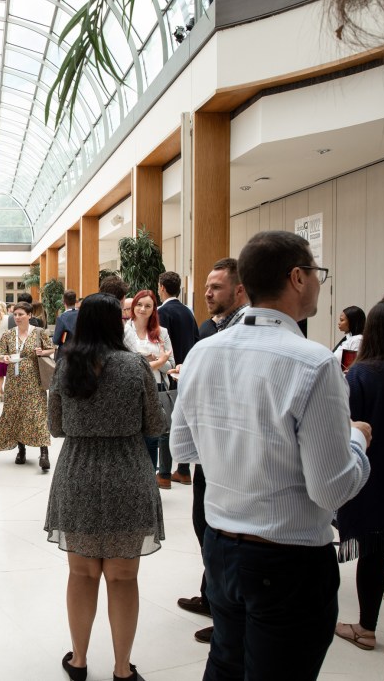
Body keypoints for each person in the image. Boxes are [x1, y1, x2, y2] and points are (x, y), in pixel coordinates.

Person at [170, 231, 371, 680]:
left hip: (220, 548)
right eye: (316, 273)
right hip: (288, 558)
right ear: (298, 277)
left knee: (225, 664)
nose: (318, 283)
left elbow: (182, 448)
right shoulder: (314, 362)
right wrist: (357, 441)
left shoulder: (202, 353)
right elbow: (332, 489)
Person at [44, 293, 166, 681]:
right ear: (117, 323)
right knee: (123, 578)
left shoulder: (67, 365)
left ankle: (79, 661)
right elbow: (155, 425)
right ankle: (122, 669)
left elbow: (55, 427)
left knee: (81, 575)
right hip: (128, 471)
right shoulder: (135, 365)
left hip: (77, 472)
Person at [174, 257, 250, 644]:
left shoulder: (245, 332)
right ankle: (211, 597)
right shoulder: (215, 328)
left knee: (219, 531)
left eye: (216, 287)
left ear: (240, 290)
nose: (207, 293)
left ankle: (225, 616)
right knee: (206, 526)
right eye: (206, 286)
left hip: (229, 450)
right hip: (210, 448)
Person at [334, 301, 384, 651]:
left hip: (371, 475)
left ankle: (366, 627)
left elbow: (347, 426)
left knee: (371, 550)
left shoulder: (361, 374)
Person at [0, 301, 55, 471]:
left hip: (34, 381)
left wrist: (42, 352)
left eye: (21, 314)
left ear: (29, 315)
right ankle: (21, 450)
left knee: (38, 414)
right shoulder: (8, 334)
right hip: (14, 382)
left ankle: (44, 453)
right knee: (18, 413)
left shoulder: (39, 332)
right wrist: (4, 358)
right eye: (15, 314)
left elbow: (51, 349)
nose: (17, 317)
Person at [123, 290, 174, 488]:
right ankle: (133, 483)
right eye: (139, 304)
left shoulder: (162, 333)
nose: (142, 309)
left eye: (148, 306)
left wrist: (158, 361)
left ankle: (149, 484)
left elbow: (170, 366)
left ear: (154, 309)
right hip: (132, 389)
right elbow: (124, 365)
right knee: (133, 437)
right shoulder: (124, 331)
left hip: (155, 388)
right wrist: (155, 361)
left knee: (153, 437)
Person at [157, 271, 199, 485]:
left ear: (162, 288)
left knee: (167, 421)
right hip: (188, 371)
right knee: (185, 421)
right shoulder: (188, 312)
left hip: (170, 373)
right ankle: (183, 470)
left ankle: (164, 473)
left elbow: (161, 345)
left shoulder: (162, 313)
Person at [52, 289, 79, 361]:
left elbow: (56, 340)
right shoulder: (84, 314)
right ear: (76, 301)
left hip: (67, 355)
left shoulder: (62, 318)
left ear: (63, 302)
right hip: (83, 352)